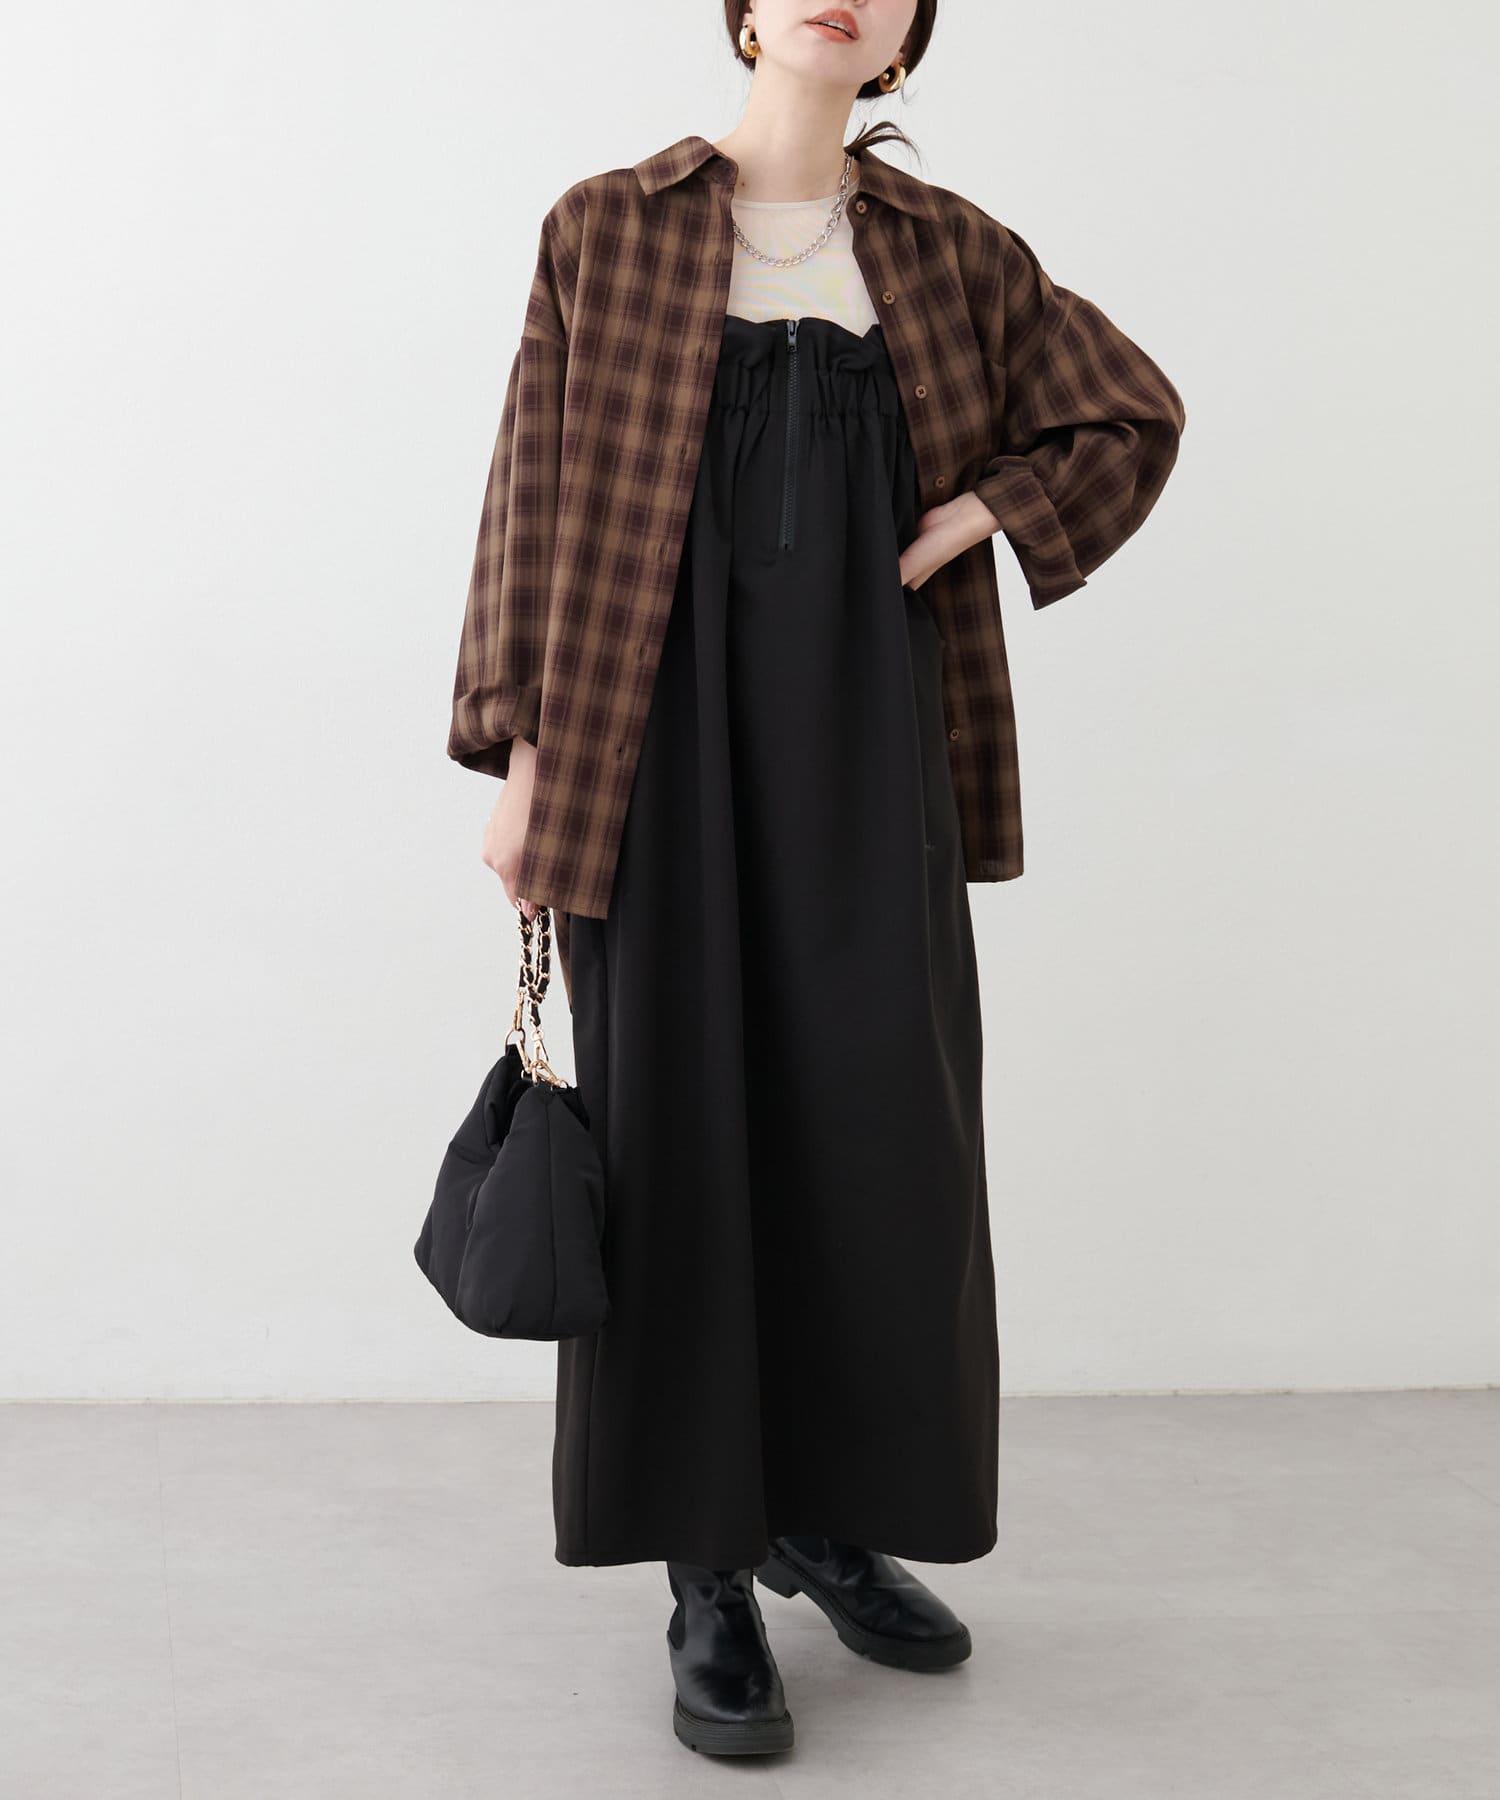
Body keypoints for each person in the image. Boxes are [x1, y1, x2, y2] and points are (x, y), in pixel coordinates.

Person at [447, 0, 1185, 1759]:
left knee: (879, 1134)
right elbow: (531, 496)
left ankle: (825, 1517)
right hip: (648, 743)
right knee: (681, 1141)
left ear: (910, 35)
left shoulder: (952, 252)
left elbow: (1130, 413)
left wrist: (981, 516)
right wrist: (520, 755)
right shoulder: (608, 227)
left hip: (875, 739)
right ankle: (708, 1568)